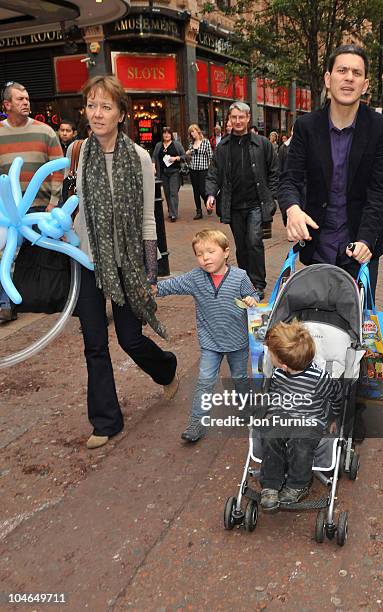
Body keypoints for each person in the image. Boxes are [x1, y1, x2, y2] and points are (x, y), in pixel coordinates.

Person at [73, 75, 178, 450]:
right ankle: (106, 421)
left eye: (105, 106)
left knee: (130, 338)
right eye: (91, 105)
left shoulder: (139, 158)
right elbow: (79, 209)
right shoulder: (80, 152)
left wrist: (151, 273)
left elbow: (149, 221)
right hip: (88, 260)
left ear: (121, 113)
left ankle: (165, 368)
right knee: (95, 343)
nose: (96, 113)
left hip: (127, 262)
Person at [278, 44, 383, 301]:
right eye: (342, 70)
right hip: (318, 246)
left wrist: (365, 239)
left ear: (364, 85)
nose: (349, 77)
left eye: (356, 72)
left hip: (360, 249)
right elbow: (290, 179)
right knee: (316, 328)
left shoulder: (379, 127)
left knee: (356, 331)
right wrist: (292, 209)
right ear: (329, 79)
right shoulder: (306, 126)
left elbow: (380, 190)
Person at [154, 229, 259, 442]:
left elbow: (253, 295)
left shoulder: (240, 277)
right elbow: (172, 285)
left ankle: (248, 412)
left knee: (239, 380)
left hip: (237, 341)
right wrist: (153, 289)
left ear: (226, 252)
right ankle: (197, 424)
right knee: (205, 382)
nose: (205, 258)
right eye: (200, 254)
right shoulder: (195, 278)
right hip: (210, 342)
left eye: (211, 251)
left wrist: (252, 300)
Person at [259, 320, 342, 512]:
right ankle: (271, 483)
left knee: (301, 442)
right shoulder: (278, 374)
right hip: (282, 415)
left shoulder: (320, 379)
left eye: (271, 354)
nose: (268, 355)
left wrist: (333, 417)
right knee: (271, 436)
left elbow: (336, 395)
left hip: (310, 420)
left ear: (284, 364)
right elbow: (274, 394)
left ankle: (298, 484)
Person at [0, 81, 63, 322]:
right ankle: (7, 304)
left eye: (27, 98)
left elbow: (60, 169)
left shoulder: (45, 131)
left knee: (45, 253)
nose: (26, 102)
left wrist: (54, 202)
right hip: (8, 210)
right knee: (7, 256)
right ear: (7, 105)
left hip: (40, 207)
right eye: (20, 99)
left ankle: (50, 298)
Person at [205, 101, 278, 300]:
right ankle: (245, 282)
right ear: (229, 119)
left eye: (241, 117)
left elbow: (274, 171)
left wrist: (271, 196)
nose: (238, 121)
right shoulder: (223, 147)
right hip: (234, 205)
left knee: (254, 242)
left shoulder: (262, 144)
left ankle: (258, 284)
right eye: (234, 117)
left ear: (248, 119)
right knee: (242, 246)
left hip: (256, 204)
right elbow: (213, 173)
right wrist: (211, 194)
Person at [152, 127, 186, 221]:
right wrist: (153, 166)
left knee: (173, 193)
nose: (166, 135)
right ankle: (171, 210)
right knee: (167, 193)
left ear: (171, 135)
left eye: (168, 133)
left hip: (174, 172)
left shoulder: (176, 145)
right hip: (163, 173)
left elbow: (184, 156)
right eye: (164, 133)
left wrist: (175, 158)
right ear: (162, 135)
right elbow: (154, 157)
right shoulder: (159, 145)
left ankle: (173, 214)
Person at [186, 123, 213, 220]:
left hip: (203, 170)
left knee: (202, 189)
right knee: (195, 191)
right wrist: (188, 154)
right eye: (190, 132)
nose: (192, 134)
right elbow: (187, 155)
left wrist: (211, 169)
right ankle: (198, 211)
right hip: (193, 169)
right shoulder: (191, 144)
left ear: (198, 131)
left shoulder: (205, 142)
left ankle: (208, 203)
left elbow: (210, 156)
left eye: (193, 131)